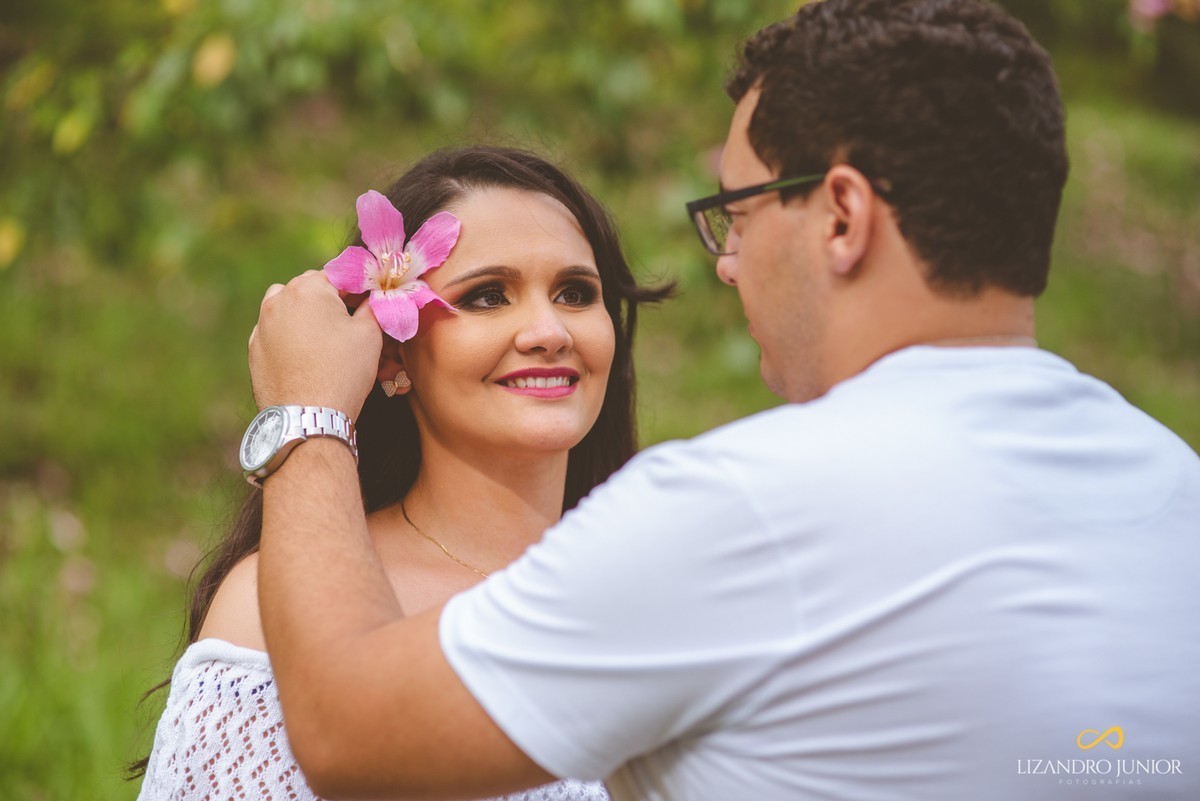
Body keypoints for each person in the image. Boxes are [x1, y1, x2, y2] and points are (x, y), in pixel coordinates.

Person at [244, 1, 1200, 799]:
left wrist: (306, 415)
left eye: (736, 214)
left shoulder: (750, 511)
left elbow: (341, 730)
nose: (730, 266)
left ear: (841, 215)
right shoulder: (1171, 486)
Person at [134, 146, 671, 800]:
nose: (548, 328)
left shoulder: (667, 580)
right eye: (488, 295)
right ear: (391, 352)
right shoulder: (276, 608)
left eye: (575, 292)